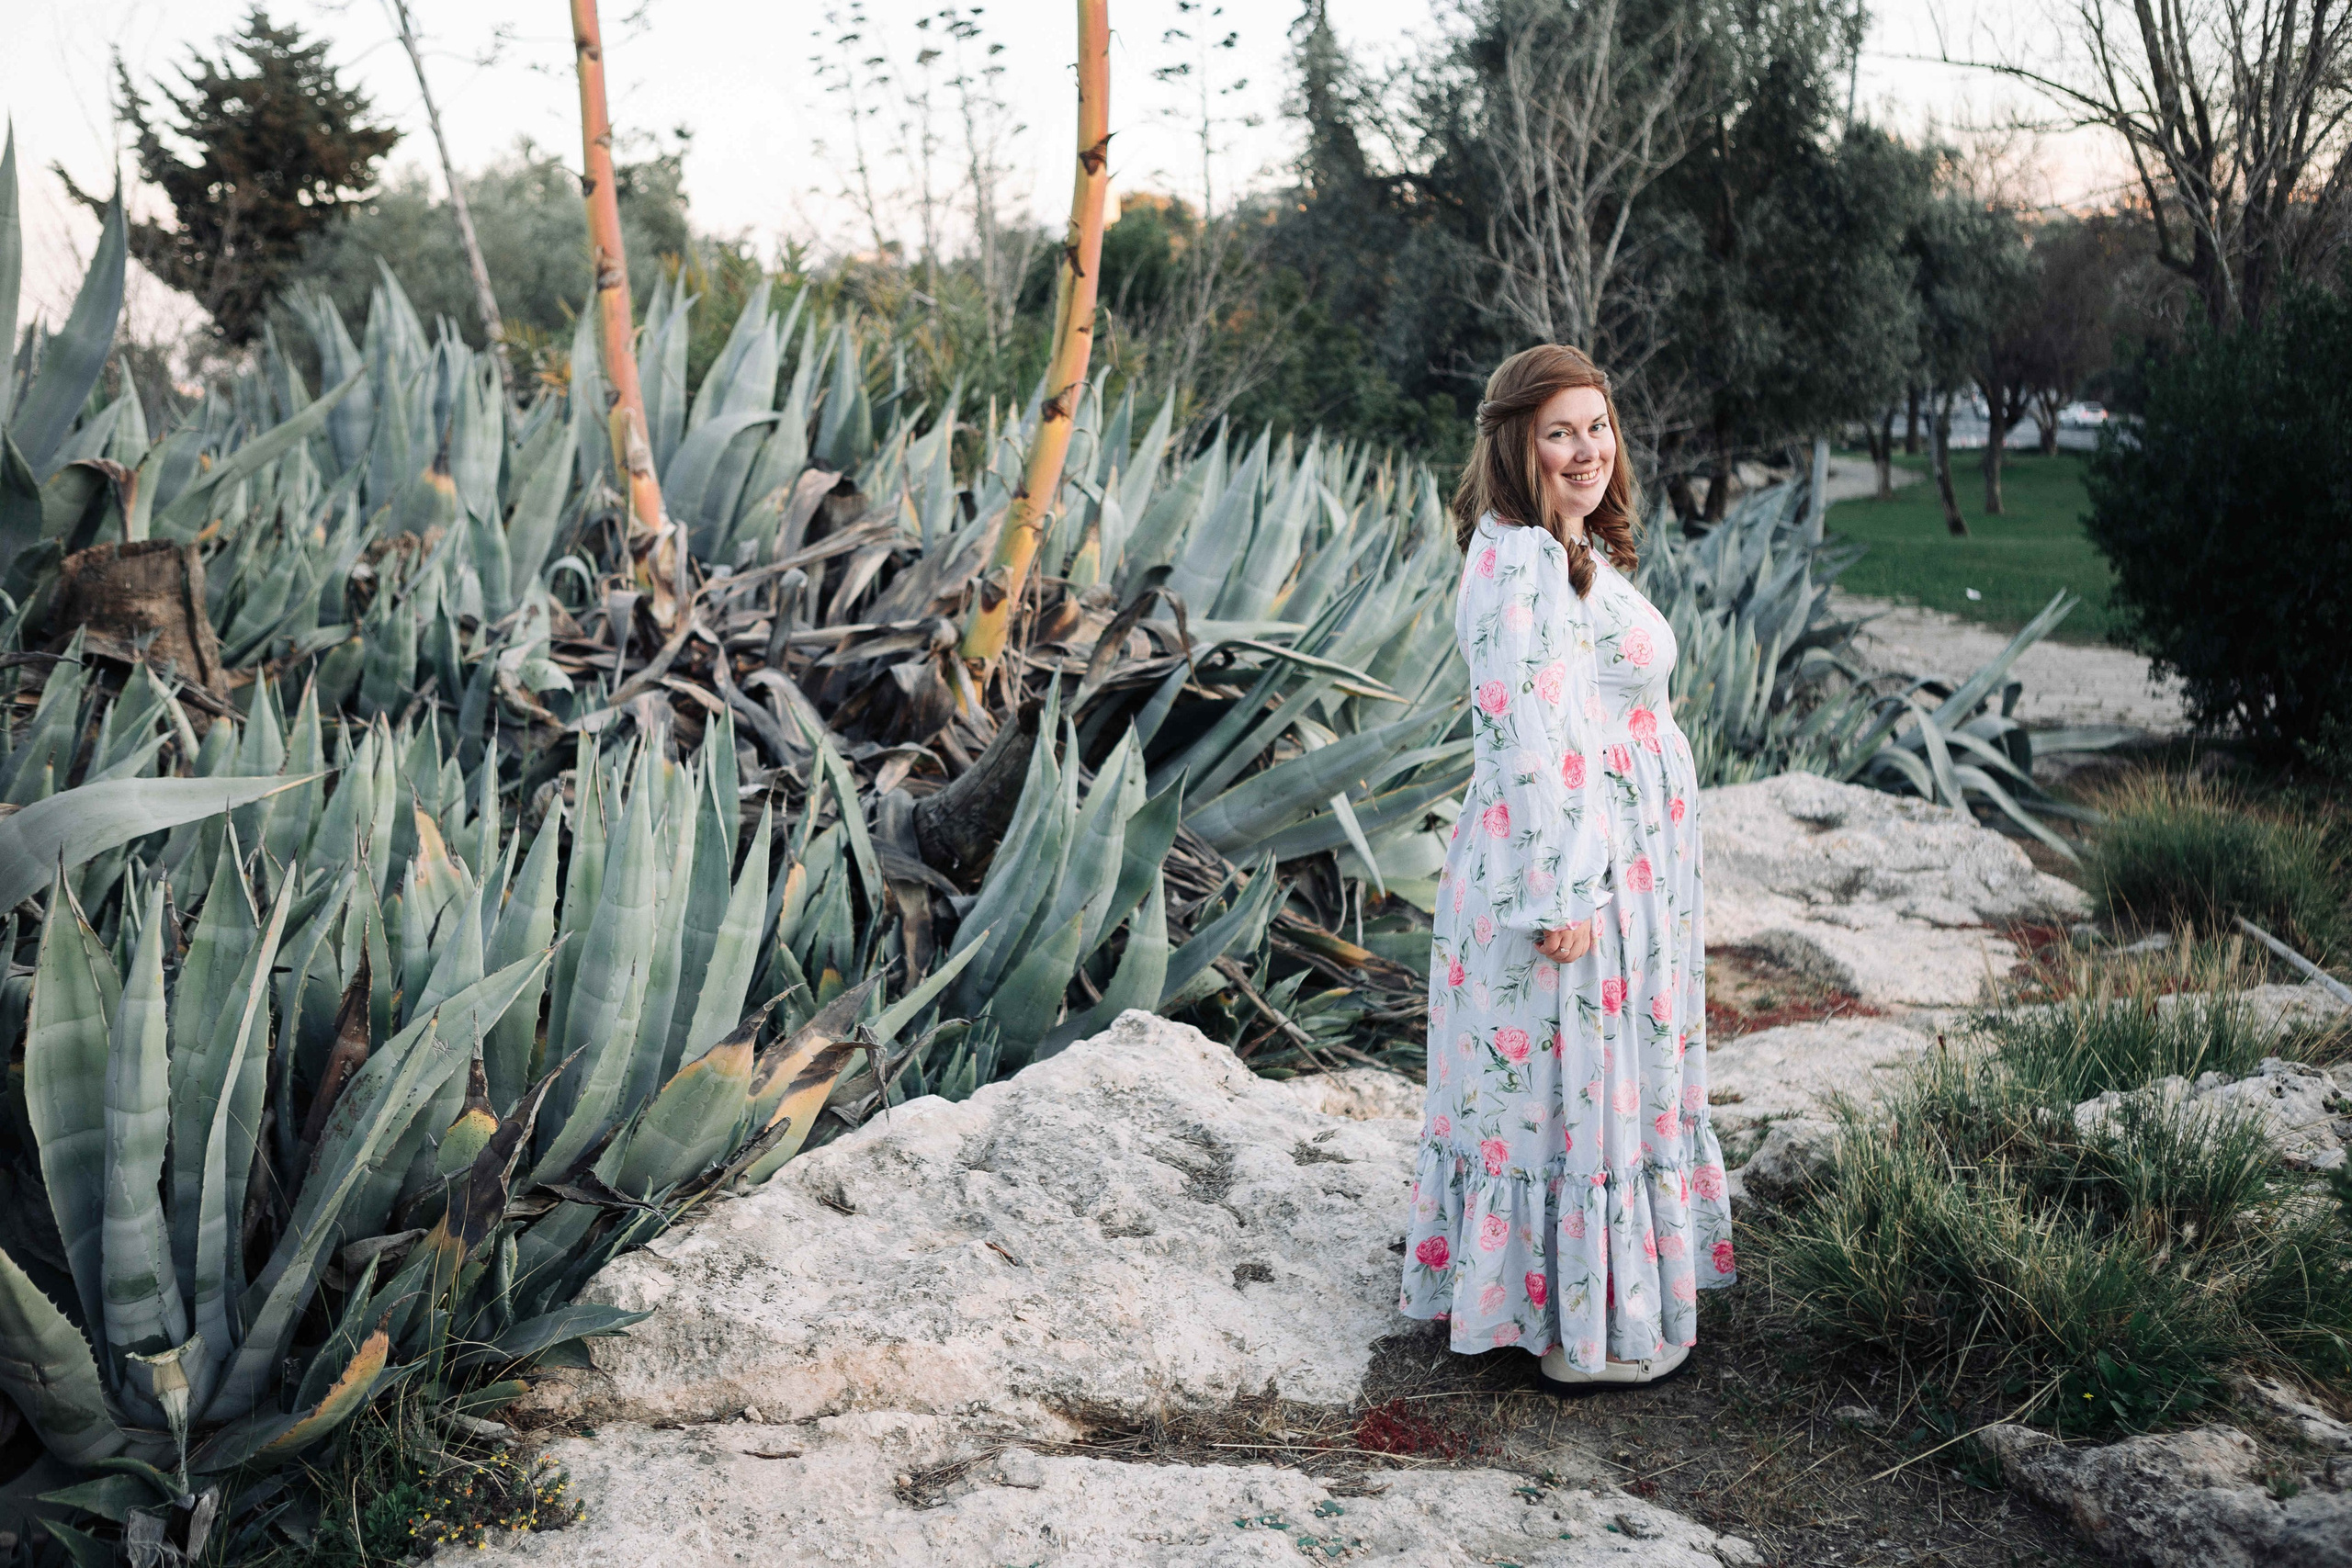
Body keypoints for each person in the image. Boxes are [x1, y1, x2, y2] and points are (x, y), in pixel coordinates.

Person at [1397, 344, 1734, 1391]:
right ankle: (1566, 1328)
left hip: (1612, 867)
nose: (1586, 450)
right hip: (1569, 873)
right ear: (1515, 443)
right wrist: (1561, 891)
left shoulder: (1562, 548)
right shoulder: (1521, 566)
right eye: (1559, 432)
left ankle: (1570, 1300)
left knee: (1579, 1088)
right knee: (1568, 1091)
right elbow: (1525, 738)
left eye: (1597, 426)